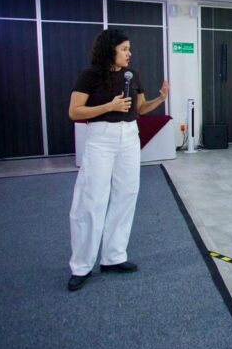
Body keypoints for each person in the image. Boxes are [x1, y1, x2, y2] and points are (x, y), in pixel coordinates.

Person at [67, 29, 169, 291]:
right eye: (124, 48)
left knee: (126, 194)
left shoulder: (132, 75)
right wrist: (108, 106)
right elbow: (74, 111)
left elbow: (139, 109)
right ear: (109, 49)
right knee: (92, 199)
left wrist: (160, 98)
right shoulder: (89, 74)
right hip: (101, 137)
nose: (129, 53)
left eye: (129, 49)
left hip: (129, 137)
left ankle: (113, 257)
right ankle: (81, 265)